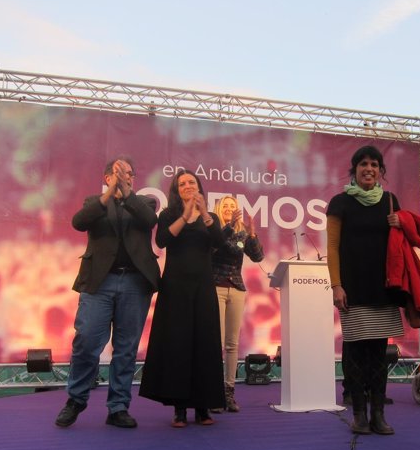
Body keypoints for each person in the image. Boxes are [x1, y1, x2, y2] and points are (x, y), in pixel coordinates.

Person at [55, 156, 160, 429]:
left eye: (129, 173)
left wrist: (126, 193)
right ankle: (76, 399)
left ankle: (118, 407)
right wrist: (109, 195)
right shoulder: (94, 203)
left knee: (126, 349)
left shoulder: (145, 202)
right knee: (87, 340)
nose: (125, 176)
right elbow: (79, 222)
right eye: (118, 173)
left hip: (135, 283)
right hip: (99, 283)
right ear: (106, 178)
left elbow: (149, 220)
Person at [326, 145, 403, 436]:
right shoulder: (339, 202)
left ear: (380, 170)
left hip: (383, 288)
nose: (368, 169)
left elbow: (401, 244)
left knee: (378, 354)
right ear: (354, 169)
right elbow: (332, 248)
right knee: (356, 352)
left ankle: (378, 415)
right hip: (353, 288)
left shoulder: (391, 201)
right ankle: (359, 413)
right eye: (363, 164)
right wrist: (336, 285)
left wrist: (401, 224)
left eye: (374, 164)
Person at [139, 170, 225, 427]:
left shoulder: (212, 217)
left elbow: (219, 242)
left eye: (192, 183)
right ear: (176, 190)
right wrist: (185, 215)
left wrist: (204, 214)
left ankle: (203, 407)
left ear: (199, 187)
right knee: (178, 344)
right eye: (182, 184)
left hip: (203, 286)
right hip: (175, 287)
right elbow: (163, 240)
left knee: (204, 343)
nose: (188, 186)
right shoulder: (168, 215)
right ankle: (179, 408)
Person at [210, 195, 264, 412]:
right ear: (219, 209)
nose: (230, 209)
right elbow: (216, 248)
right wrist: (230, 227)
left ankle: (229, 391)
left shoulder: (242, 233)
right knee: (216, 341)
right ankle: (212, 392)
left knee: (232, 343)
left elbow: (258, 257)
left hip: (237, 288)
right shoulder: (214, 229)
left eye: (233, 206)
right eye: (226, 206)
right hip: (215, 287)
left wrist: (252, 233)